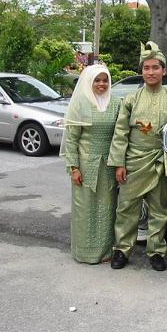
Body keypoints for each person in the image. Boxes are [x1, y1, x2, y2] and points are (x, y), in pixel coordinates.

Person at [108, 41, 167, 271]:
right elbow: (120, 133)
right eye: (146, 68)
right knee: (126, 209)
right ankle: (122, 250)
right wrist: (118, 164)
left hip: (158, 162)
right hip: (133, 162)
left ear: (164, 71)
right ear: (141, 71)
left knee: (160, 211)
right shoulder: (131, 99)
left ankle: (156, 252)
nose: (150, 72)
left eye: (155, 67)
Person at [60, 64, 121, 264]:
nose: (102, 84)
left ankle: (105, 252)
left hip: (109, 165)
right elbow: (71, 139)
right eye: (97, 80)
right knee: (84, 208)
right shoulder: (81, 104)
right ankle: (84, 252)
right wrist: (73, 167)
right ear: (89, 82)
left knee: (107, 207)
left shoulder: (116, 104)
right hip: (86, 165)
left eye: (105, 80)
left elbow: (121, 134)